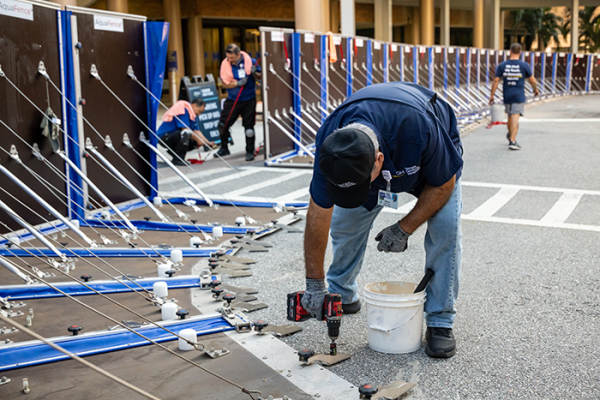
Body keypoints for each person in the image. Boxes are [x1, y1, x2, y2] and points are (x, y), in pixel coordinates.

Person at [301, 82, 464, 359]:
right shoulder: (331, 144)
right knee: (345, 224)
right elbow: (318, 213)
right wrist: (314, 285)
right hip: (375, 164)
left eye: (358, 186)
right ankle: (342, 292)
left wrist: (405, 227)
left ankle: (440, 320)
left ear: (378, 161)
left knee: (446, 230)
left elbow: (444, 184)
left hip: (426, 167)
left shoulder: (418, 127)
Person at [489, 43, 539, 151]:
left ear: (510, 51)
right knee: (515, 116)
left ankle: (511, 134)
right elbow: (532, 79)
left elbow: (496, 81)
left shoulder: (503, 65)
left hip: (507, 95)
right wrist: (535, 89)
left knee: (510, 117)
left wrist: (491, 95)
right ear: (520, 52)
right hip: (519, 95)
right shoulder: (524, 65)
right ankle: (512, 141)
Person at [216, 43, 262, 161]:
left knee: (249, 128)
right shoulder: (226, 64)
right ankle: (224, 147)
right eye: (228, 58)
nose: (229, 60)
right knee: (222, 125)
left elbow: (260, 76)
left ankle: (250, 151)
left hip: (248, 99)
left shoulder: (250, 61)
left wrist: (255, 73)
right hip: (233, 99)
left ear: (238, 54)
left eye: (232, 58)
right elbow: (224, 82)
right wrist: (237, 83)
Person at [157, 99, 214, 166]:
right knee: (185, 134)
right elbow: (185, 129)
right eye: (199, 111)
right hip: (164, 137)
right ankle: (178, 159)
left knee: (194, 141)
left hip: (174, 135)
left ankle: (175, 154)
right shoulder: (183, 110)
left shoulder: (192, 114)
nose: (199, 114)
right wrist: (199, 140)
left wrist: (207, 142)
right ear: (194, 105)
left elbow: (197, 131)